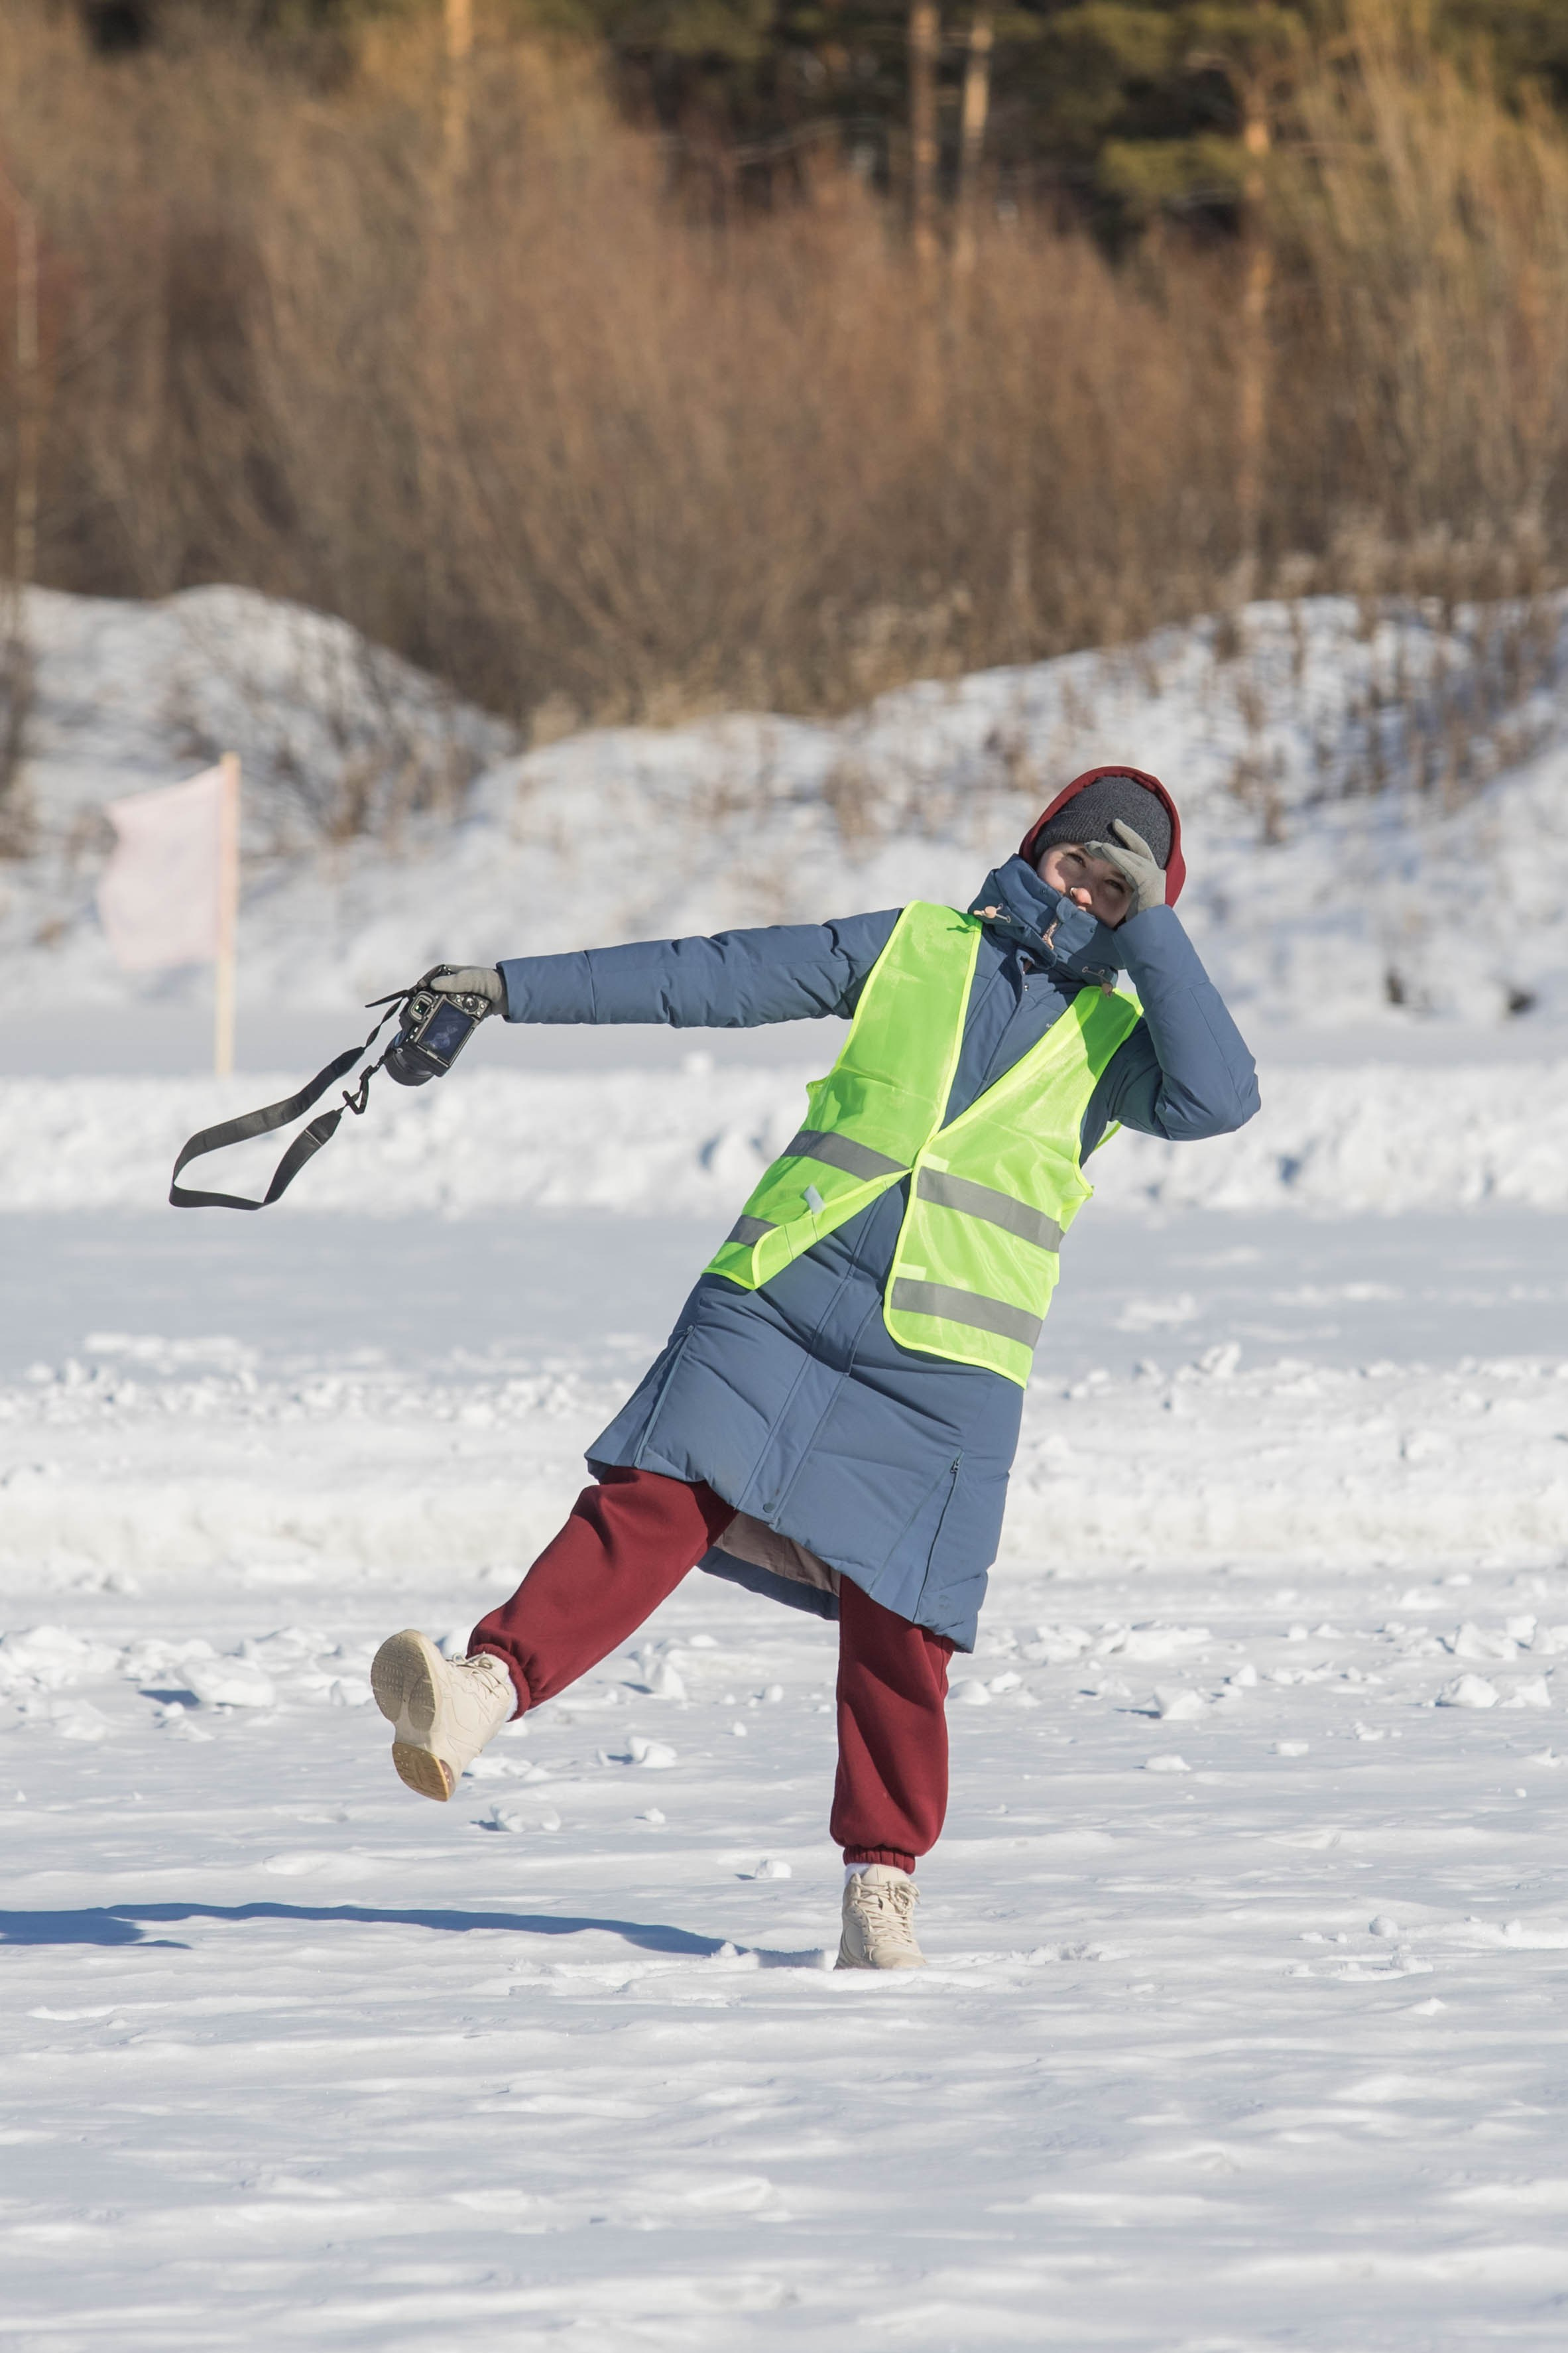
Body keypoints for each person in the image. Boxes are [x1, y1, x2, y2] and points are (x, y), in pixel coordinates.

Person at [371, 765, 1260, 1969]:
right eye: (1077, 862)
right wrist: (503, 990)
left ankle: (879, 1886)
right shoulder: (915, 946)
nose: (1089, 889)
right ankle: (483, 1686)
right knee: (653, 1499)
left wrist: (1149, 935)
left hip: (946, 1361)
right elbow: (714, 974)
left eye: (1120, 884)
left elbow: (1222, 1097)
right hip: (782, 1292)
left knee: (906, 1624)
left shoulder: (1122, 1037)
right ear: (1035, 849)